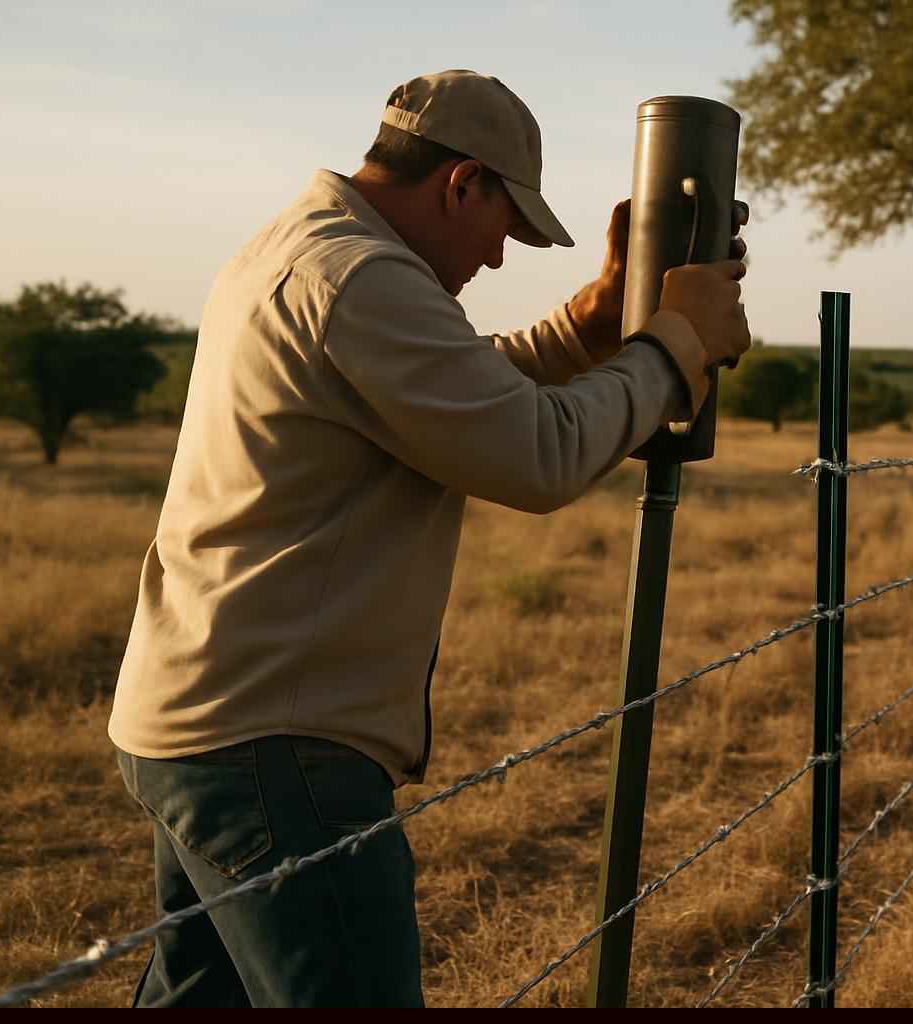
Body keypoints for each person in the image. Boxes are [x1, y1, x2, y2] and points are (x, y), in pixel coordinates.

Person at [106, 69, 751, 1007]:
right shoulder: (363, 278)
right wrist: (675, 346)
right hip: (277, 748)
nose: (496, 259)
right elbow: (537, 453)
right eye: (505, 226)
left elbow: (458, 393)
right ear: (462, 184)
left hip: (209, 721)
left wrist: (598, 317)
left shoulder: (303, 249)